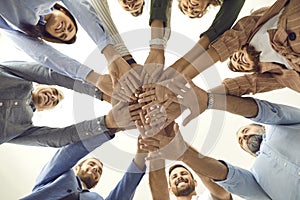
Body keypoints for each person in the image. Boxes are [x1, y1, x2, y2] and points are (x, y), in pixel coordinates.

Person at [140, 83, 300, 199]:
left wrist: (210, 101)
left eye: (245, 131)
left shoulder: (281, 126)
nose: (243, 138)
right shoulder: (257, 176)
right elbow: (230, 178)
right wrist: (184, 154)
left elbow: (264, 112)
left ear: (262, 128)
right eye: (241, 142)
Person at [0, 60, 139, 147]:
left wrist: (107, 122)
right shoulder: (20, 78)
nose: (52, 97)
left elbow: (58, 138)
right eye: (53, 91)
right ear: (39, 84)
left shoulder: (23, 127)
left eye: (54, 101)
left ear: (42, 110)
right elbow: (51, 74)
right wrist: (101, 93)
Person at [0, 0, 132, 89]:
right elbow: (81, 8)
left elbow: (44, 55)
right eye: (69, 27)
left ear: (50, 36)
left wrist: (95, 79)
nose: (64, 30)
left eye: (62, 36)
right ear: (64, 11)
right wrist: (110, 53)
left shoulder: (21, 27)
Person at [20, 124, 147, 200]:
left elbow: (124, 191)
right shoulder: (59, 177)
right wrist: (111, 128)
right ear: (76, 168)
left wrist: (142, 152)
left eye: (99, 171)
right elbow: (68, 154)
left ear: (96, 183)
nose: (95, 169)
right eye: (91, 164)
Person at [139, 123, 231, 200]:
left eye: (183, 173)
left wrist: (183, 153)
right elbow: (159, 194)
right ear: (170, 190)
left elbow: (223, 193)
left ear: (195, 182)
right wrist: (155, 144)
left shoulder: (209, 197)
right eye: (174, 177)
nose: (179, 177)